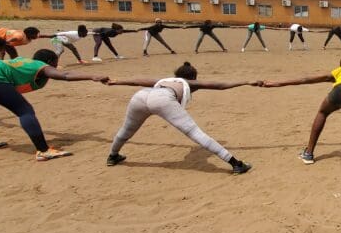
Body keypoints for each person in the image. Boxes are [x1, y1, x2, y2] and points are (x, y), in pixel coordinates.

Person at [104, 62, 254, 174]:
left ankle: (113, 156)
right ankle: (236, 164)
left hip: (141, 96)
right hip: (163, 99)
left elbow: (137, 81)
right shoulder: (189, 82)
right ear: (193, 77)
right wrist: (246, 82)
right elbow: (220, 85)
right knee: (195, 132)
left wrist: (116, 81)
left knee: (127, 129)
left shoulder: (166, 80)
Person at [0, 49, 109, 160]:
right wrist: (92, 76)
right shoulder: (40, 65)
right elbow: (65, 75)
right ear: (50, 61)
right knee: (25, 111)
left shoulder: (25, 63)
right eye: (55, 62)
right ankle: (43, 150)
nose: (56, 66)